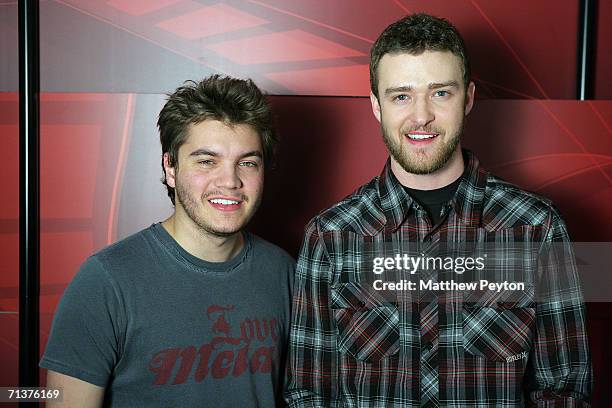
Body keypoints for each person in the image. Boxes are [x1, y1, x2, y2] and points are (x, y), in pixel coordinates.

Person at [285, 13, 591, 406]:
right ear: (377, 106)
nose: (421, 115)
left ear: (469, 98)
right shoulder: (329, 237)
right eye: (401, 95)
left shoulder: (538, 228)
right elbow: (309, 394)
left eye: (440, 93)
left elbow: (564, 391)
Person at [41, 75, 294, 407]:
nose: (230, 181)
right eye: (206, 161)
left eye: (247, 163)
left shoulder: (284, 272)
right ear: (170, 167)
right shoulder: (106, 280)